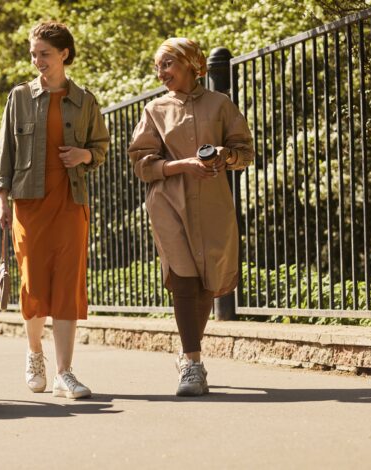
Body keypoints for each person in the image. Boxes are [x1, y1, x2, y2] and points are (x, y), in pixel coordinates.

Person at [128, 38, 254, 396]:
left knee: (206, 281)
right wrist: (181, 164)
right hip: (169, 201)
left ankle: (187, 355)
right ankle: (194, 364)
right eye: (159, 66)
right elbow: (141, 163)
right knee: (183, 277)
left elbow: (245, 152)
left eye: (167, 63)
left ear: (189, 63)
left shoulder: (221, 104)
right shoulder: (155, 109)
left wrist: (224, 157)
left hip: (213, 202)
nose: (161, 72)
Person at [0, 21, 109, 399]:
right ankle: (34, 353)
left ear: (64, 54)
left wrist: (84, 154)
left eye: (44, 53)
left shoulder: (85, 99)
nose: (37, 60)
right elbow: (3, 154)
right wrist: (1, 200)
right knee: (34, 283)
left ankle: (65, 372)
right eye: (33, 54)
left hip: (70, 202)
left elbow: (101, 147)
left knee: (68, 285)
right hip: (29, 204)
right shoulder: (20, 97)